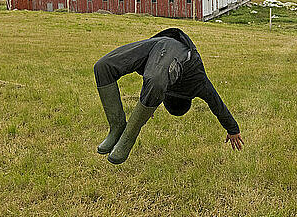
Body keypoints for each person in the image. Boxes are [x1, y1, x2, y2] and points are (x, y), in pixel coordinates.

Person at [93, 28, 244, 164]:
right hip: (175, 48)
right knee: (156, 81)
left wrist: (147, 106)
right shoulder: (199, 84)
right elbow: (217, 105)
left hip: (158, 45)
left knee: (103, 66)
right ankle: (118, 129)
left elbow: (218, 106)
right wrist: (233, 129)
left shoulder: (163, 82)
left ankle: (123, 133)